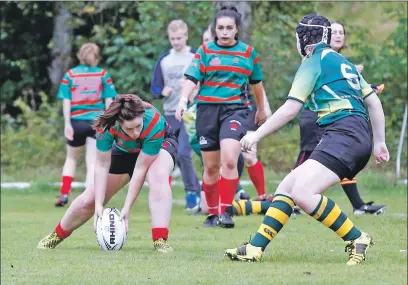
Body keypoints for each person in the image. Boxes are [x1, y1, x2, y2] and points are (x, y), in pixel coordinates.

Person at [224, 14, 389, 265]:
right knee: (287, 188)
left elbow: (291, 109)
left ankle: (356, 238)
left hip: (344, 134)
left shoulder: (312, 62)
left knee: (302, 192)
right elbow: (373, 101)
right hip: (352, 134)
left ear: (302, 39)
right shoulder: (340, 60)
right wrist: (379, 142)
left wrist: (256, 135)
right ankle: (255, 248)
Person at [37, 94, 178, 253]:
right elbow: (102, 166)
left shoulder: (153, 123)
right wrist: (98, 205)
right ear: (118, 123)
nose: (135, 133)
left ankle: (160, 240)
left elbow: (140, 169)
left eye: (138, 126)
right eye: (129, 129)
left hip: (160, 145)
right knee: (90, 198)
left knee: (157, 175)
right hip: (126, 150)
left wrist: (127, 208)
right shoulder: (106, 126)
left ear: (142, 117)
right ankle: (56, 235)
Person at [176, 6, 267, 229]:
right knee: (211, 168)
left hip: (235, 110)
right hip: (207, 111)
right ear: (215, 29)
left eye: (229, 28)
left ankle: (226, 211)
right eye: (220, 28)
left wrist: (261, 109)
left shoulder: (248, 53)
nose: (224, 32)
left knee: (229, 158)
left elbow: (257, 85)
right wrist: (183, 99)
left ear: (237, 30)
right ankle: (212, 213)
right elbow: (191, 78)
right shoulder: (205, 51)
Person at [55, 43, 117, 207]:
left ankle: (64, 194)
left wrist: (67, 123)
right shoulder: (103, 75)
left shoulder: (70, 75)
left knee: (71, 158)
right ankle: (88, 196)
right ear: (96, 57)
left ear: (80, 56)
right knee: (93, 162)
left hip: (76, 122)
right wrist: (107, 122)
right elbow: (109, 101)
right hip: (96, 122)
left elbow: (66, 101)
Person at [150, 19, 201, 213]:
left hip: (190, 111)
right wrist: (161, 91)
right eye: (172, 38)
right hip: (170, 114)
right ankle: (190, 189)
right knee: (171, 156)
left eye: (179, 38)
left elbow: (204, 79)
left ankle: (192, 193)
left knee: (183, 153)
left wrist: (195, 89)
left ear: (186, 36)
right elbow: (154, 86)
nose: (176, 42)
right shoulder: (164, 60)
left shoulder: (195, 56)